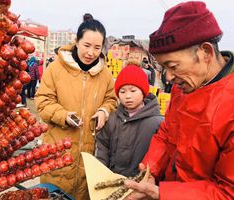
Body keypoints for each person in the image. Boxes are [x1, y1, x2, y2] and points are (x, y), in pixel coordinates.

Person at [124, 1, 234, 199]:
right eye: (164, 68)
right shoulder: (181, 88)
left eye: (173, 66)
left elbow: (228, 192)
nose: (167, 78)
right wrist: (151, 170)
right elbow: (167, 133)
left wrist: (163, 194)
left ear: (206, 52)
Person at [34, 13, 117, 199]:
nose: (91, 53)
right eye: (87, 45)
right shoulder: (56, 69)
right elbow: (42, 101)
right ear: (77, 41)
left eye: (97, 48)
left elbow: (111, 99)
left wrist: (104, 110)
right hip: (59, 151)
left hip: (90, 155)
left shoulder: (105, 74)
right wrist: (63, 116)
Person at [95, 63, 163, 177]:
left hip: (141, 185)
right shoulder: (112, 119)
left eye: (133, 91)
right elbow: (102, 149)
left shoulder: (156, 123)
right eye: (122, 92)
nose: (127, 96)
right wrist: (102, 175)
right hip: (110, 182)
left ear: (143, 92)